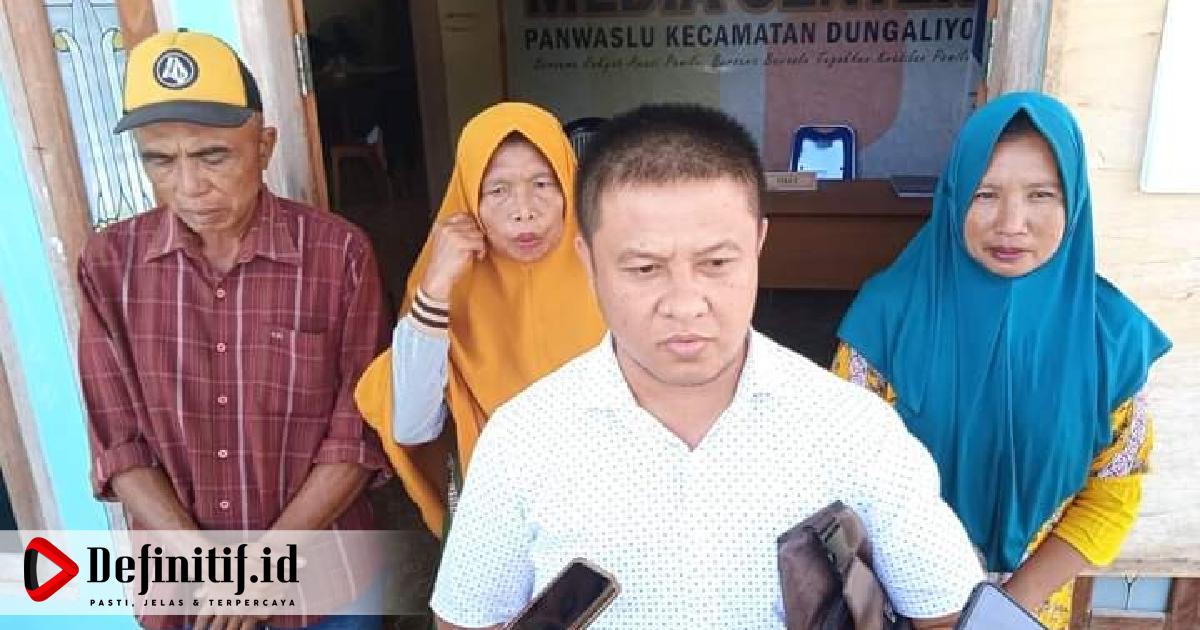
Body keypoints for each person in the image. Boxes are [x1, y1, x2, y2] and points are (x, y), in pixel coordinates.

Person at [428, 104, 984, 629]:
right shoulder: (524, 439)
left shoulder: (852, 428)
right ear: (589, 262)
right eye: (645, 269)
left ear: (758, 243)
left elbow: (947, 610)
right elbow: (468, 620)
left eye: (716, 262)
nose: (685, 304)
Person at [78, 30, 390, 630]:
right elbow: (119, 446)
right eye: (160, 160)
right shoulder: (109, 266)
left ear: (264, 145)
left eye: (213, 156)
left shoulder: (339, 255)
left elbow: (357, 434)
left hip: (324, 585)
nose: (189, 186)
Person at [833, 92, 1172, 629]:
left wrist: (1004, 609)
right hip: (899, 606)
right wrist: (936, 608)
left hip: (1029, 609)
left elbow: (1112, 495)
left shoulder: (1111, 337)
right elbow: (842, 477)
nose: (1012, 223)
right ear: (954, 196)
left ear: (1074, 201)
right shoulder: (886, 320)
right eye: (985, 194)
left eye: (1041, 195)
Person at [354, 102, 605, 536]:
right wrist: (436, 288)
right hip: (498, 531)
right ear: (469, 199)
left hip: (610, 521)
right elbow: (412, 425)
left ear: (570, 184)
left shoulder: (616, 274)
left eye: (542, 183)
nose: (523, 210)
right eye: (498, 190)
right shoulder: (444, 288)